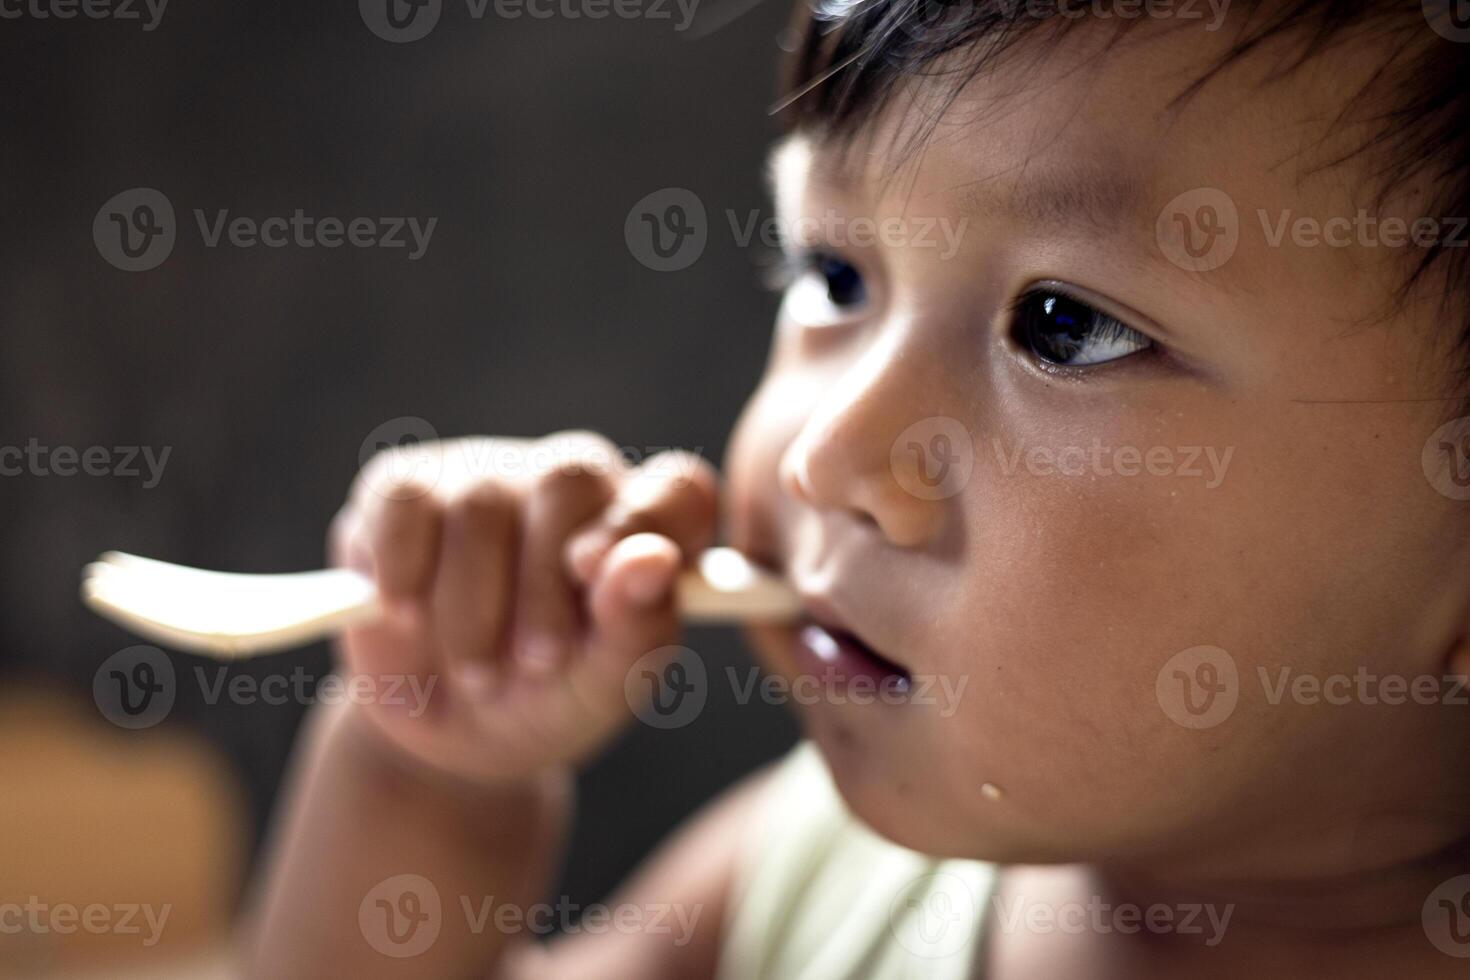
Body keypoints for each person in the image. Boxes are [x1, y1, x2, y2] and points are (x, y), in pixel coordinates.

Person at [244, 2, 1470, 976]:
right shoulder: (814, 879)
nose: (825, 451)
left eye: (1066, 326)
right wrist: (436, 768)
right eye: (835, 271)